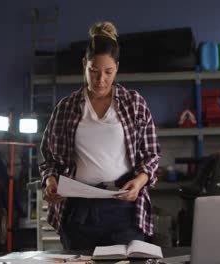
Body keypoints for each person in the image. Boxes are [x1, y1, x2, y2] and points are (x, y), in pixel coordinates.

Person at [39, 21, 161, 250]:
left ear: (117, 67)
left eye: (108, 72)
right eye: (93, 72)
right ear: (84, 65)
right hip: (78, 213)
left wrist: (140, 182)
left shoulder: (134, 104)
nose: (100, 80)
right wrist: (51, 181)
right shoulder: (66, 108)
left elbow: (152, 155)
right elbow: (49, 159)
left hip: (124, 211)